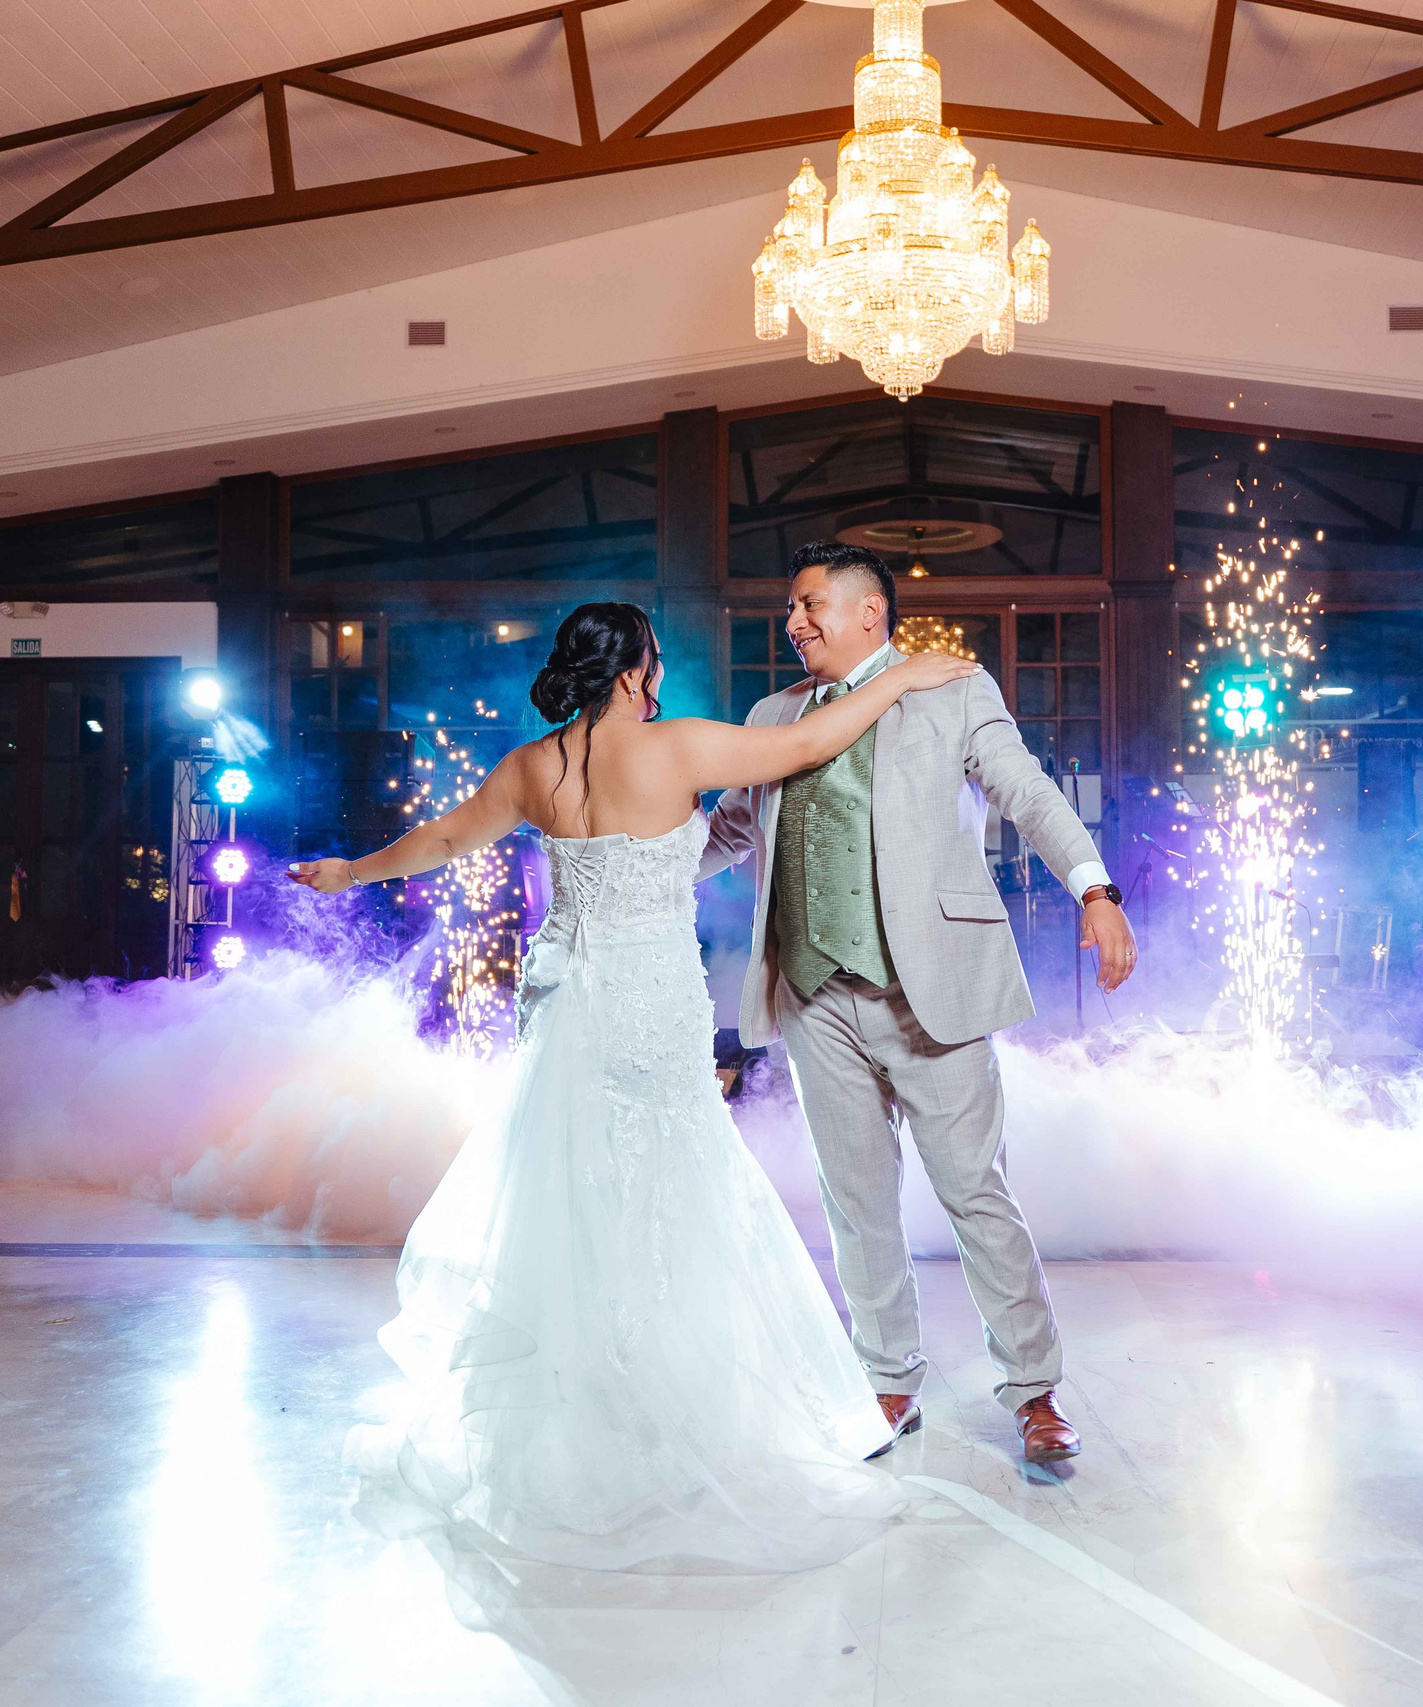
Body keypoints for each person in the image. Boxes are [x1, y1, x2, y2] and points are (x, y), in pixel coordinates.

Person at [289, 601, 977, 1571]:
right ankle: (676, 1407)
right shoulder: (678, 749)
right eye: (650, 663)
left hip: (571, 1009)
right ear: (631, 673)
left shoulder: (532, 768)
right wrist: (901, 676)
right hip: (654, 1007)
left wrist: (349, 871)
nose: (656, 676)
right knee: (678, 1190)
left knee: (571, 1198)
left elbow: (445, 841)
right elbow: (814, 740)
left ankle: (582, 1410)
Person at [701, 541, 1137, 1467]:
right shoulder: (773, 714)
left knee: (977, 1192)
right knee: (856, 1200)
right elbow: (737, 826)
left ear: (869, 612)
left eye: (808, 603)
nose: (793, 621)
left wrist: (1095, 893)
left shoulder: (953, 691)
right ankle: (888, 1381)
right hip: (813, 992)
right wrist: (641, 875)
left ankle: (1034, 1391)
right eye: (789, 608)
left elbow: (1025, 792)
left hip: (930, 984)